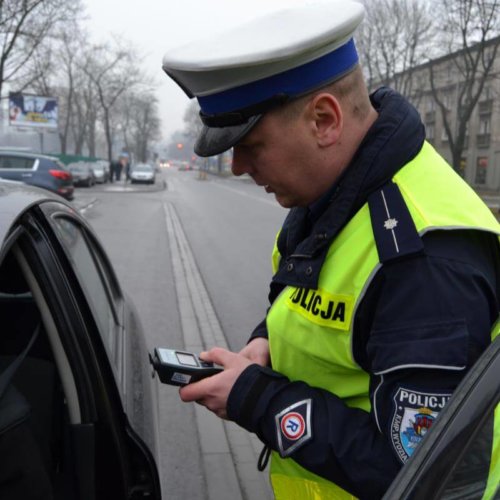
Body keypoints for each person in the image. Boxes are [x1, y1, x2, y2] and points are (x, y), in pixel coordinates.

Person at [162, 1, 500, 498]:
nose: (236, 167)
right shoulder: (338, 194)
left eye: (249, 145)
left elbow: (417, 475)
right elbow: (318, 305)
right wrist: (268, 342)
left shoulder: (423, 261)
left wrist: (256, 397)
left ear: (324, 119)